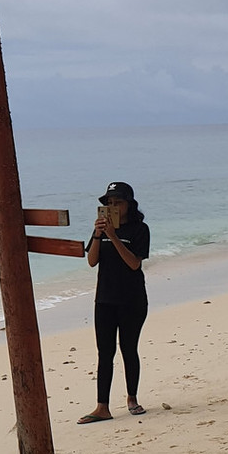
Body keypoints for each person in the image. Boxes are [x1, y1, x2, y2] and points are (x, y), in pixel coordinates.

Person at [78, 181, 151, 424]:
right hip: (105, 299)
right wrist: (99, 235)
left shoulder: (140, 230)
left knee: (128, 348)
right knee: (104, 353)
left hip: (132, 299)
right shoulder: (101, 229)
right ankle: (102, 407)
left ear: (129, 204)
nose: (113, 207)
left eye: (118, 202)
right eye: (109, 203)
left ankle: (132, 398)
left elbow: (134, 264)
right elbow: (91, 261)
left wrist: (114, 237)